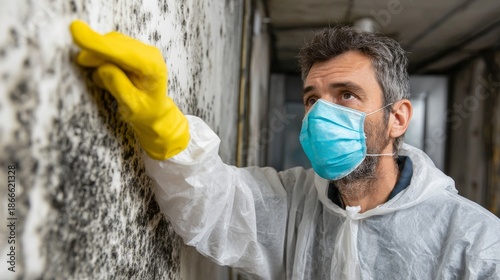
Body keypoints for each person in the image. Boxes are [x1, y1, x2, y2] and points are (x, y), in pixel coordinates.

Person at [69, 20, 500, 279]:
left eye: (346, 94)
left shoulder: (474, 241)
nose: (319, 116)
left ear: (398, 118)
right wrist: (163, 126)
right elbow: (213, 203)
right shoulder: (295, 202)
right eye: (313, 99)